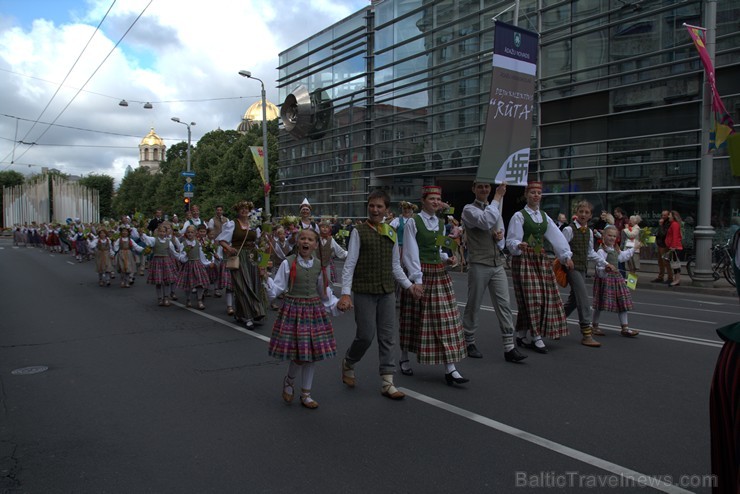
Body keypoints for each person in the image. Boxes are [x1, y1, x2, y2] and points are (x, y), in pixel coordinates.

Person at [337, 189, 422, 400]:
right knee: (365, 335)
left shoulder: (390, 232)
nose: (375, 210)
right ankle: (348, 361)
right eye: (372, 206)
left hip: (387, 292)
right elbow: (350, 264)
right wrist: (346, 294)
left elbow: (395, 266)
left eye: (379, 206)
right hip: (365, 290)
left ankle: (387, 382)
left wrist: (409, 286)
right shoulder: (358, 231)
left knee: (387, 338)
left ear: (387, 210)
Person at [399, 185, 468, 385]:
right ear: (424, 200)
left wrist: (447, 259)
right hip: (420, 273)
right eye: (432, 198)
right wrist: (416, 279)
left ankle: (450, 368)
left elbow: (437, 248)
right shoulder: (413, 222)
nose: (436, 202)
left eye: (438, 199)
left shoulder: (439, 223)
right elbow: (410, 252)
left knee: (446, 319)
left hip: (438, 273)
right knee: (413, 318)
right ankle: (404, 357)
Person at [266, 228, 341, 409]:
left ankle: (306, 393)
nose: (306, 242)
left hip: (313, 310)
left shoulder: (318, 266)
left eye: (310, 240)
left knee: (312, 355)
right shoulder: (288, 263)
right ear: (298, 242)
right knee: (299, 355)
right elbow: (277, 288)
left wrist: (338, 304)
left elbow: (324, 293)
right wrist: (265, 278)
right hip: (294, 310)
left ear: (315, 245)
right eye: (303, 239)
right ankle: (290, 380)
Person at [460, 181, 527, 362]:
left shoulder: (493, 207)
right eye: (480, 187)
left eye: (486, 187)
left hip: (497, 262)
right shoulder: (468, 209)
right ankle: (469, 340)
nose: (484, 190)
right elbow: (484, 221)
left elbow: (497, 230)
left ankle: (509, 347)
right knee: (474, 304)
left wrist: (499, 237)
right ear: (473, 189)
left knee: (504, 305)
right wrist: (498, 196)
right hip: (479, 262)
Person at [506, 181, 572, 354]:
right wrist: (518, 245)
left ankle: (521, 334)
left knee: (544, 296)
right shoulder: (519, 216)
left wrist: (565, 256)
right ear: (526, 195)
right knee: (532, 298)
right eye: (533, 192)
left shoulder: (544, 216)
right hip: (524, 260)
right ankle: (536, 336)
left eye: (538, 193)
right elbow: (512, 239)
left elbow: (556, 237)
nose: (536, 195)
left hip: (540, 258)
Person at [561, 200, 606, 346]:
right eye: (581, 211)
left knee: (574, 301)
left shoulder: (589, 232)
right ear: (576, 213)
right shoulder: (569, 229)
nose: (583, 214)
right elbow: (561, 247)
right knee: (583, 298)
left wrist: (605, 264)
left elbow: (591, 252)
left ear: (590, 215)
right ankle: (586, 334)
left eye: (586, 212)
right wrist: (567, 258)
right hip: (571, 268)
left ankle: (553, 320)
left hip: (582, 268)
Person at [217, 200, 268, 329]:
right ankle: (251, 316)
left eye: (247, 209)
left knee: (254, 283)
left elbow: (259, 242)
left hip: (252, 256)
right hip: (239, 257)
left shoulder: (253, 224)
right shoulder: (232, 224)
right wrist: (229, 248)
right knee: (243, 285)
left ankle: (242, 313)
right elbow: (221, 240)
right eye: (242, 209)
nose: (244, 211)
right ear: (238, 211)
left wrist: (263, 262)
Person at [592, 225, 638, 337]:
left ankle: (625, 327)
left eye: (614, 236)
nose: (612, 238)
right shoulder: (601, 251)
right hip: (605, 279)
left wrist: (634, 248)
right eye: (609, 235)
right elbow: (599, 267)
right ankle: (594, 325)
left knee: (622, 301)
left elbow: (622, 257)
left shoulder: (615, 248)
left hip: (617, 278)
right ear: (604, 236)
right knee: (600, 303)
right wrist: (605, 269)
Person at [140, 223, 180, 306]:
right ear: (158, 232)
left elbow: (174, 253)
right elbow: (145, 238)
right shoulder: (154, 240)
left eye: (164, 231)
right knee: (158, 282)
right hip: (157, 262)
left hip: (166, 262)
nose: (162, 233)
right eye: (160, 231)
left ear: (166, 232)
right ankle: (159, 298)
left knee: (167, 281)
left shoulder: (169, 242)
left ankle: (166, 297)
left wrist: (182, 258)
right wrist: (141, 232)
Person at [177, 225, 212, 310]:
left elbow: (201, 255)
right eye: (188, 232)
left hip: (197, 264)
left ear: (195, 233)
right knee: (188, 284)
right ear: (186, 233)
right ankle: (188, 299)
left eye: (192, 232)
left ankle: (199, 300)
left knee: (200, 283)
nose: (190, 234)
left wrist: (207, 263)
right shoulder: (183, 244)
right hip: (188, 265)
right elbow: (181, 257)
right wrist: (186, 253)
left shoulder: (198, 243)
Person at [318, 217, 348, 283]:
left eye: (327, 227)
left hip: (326, 266)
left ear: (329, 229)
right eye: (322, 227)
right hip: (315, 266)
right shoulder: (315, 238)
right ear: (319, 228)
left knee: (327, 283)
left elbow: (340, 252)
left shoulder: (331, 239)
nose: (325, 229)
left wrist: (351, 253)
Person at [652, 210, 672, 284]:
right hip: (660, 243)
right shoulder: (663, 223)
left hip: (664, 244)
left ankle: (670, 277)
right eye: (662, 215)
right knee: (660, 262)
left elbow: (663, 234)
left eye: (664, 215)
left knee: (665, 261)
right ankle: (661, 276)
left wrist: (660, 225)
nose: (663, 217)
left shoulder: (667, 223)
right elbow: (660, 233)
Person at [665, 210, 683, 287]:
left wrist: (673, 246)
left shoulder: (674, 224)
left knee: (676, 264)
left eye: (669, 215)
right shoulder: (673, 224)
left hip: (675, 247)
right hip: (674, 247)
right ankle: (676, 279)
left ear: (673, 216)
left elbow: (675, 236)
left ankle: (677, 279)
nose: (668, 216)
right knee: (674, 264)